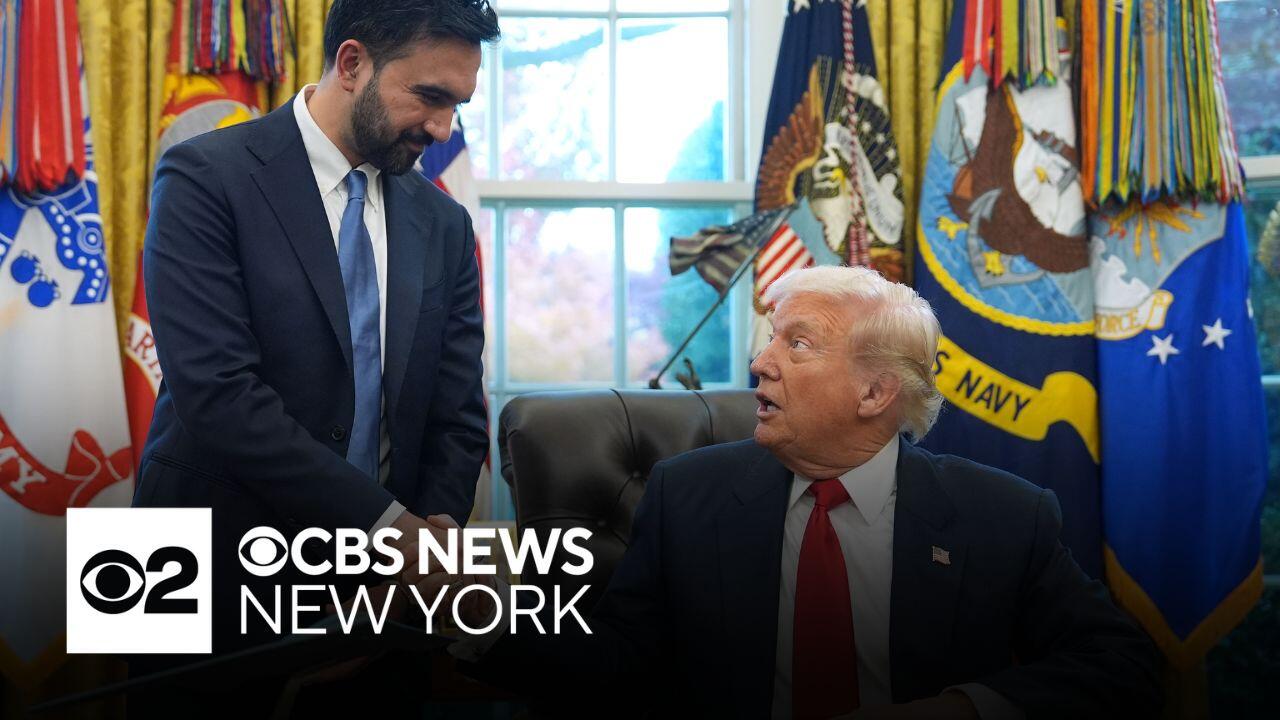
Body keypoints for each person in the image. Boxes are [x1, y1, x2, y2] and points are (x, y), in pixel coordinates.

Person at [430, 266, 1161, 719]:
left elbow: (1123, 665)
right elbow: (619, 665)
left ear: (875, 392)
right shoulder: (687, 496)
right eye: (771, 338)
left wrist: (963, 709)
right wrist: (472, 608)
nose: (760, 361)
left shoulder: (1002, 516)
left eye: (797, 344)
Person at [134, 0, 499, 655]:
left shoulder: (445, 224)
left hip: (388, 592)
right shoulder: (201, 176)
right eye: (430, 97)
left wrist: (435, 538)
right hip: (197, 568)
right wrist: (391, 529)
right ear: (352, 64)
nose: (443, 128)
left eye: (458, 106)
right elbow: (218, 395)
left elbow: (458, 414)